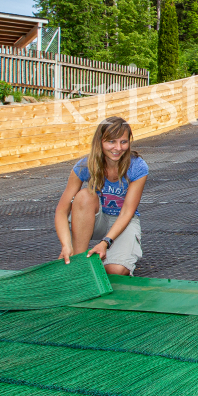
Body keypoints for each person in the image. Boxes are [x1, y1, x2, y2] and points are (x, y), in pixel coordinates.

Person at [54, 116, 147, 276]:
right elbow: (61, 211)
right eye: (111, 142)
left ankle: (101, 262)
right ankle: (79, 262)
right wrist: (65, 244)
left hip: (123, 221)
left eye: (123, 142)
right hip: (97, 220)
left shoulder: (137, 167)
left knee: (115, 271)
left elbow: (127, 212)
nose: (118, 148)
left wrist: (106, 242)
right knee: (84, 195)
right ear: (100, 142)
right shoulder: (85, 166)